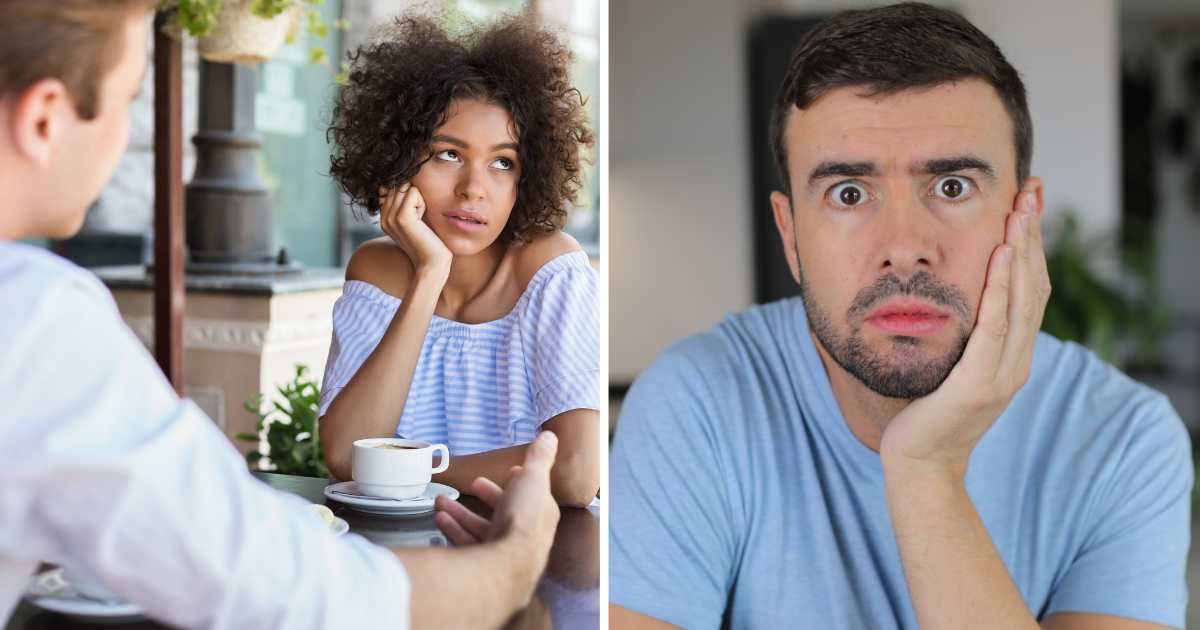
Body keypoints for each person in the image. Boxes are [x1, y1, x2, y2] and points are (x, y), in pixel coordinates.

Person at [609, 3, 1191, 630]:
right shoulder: (697, 402)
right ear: (790, 234)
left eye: (952, 187)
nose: (904, 245)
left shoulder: (1125, 440)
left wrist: (925, 474)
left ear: (1025, 218)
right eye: (850, 193)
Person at [0, 2, 562, 628]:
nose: (125, 135)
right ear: (46, 118)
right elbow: (295, 590)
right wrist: (515, 563)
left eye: (503, 161)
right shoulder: (31, 322)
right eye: (128, 98)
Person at [318, 11, 600, 507]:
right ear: (400, 158)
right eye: (449, 154)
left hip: (531, 556)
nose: (474, 189)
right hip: (404, 553)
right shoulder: (375, 271)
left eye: (502, 163)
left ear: (526, 177)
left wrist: (414, 470)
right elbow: (344, 454)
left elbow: (576, 472)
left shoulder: (550, 269)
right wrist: (429, 274)